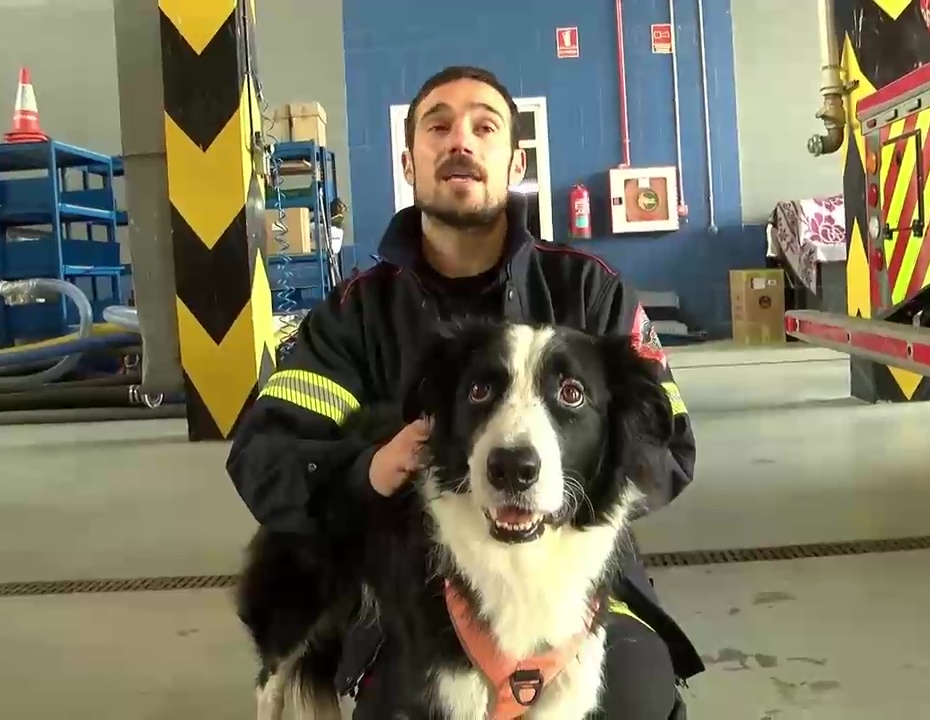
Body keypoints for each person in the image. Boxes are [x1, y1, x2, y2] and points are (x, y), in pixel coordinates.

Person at [227, 65, 703, 718]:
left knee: (634, 701)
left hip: (579, 589)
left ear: (514, 160)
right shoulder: (354, 316)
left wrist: (578, 501)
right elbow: (265, 452)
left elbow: (668, 443)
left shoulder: (590, 292)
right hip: (406, 593)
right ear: (408, 159)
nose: (461, 141)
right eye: (438, 125)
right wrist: (366, 471)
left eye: (485, 126)